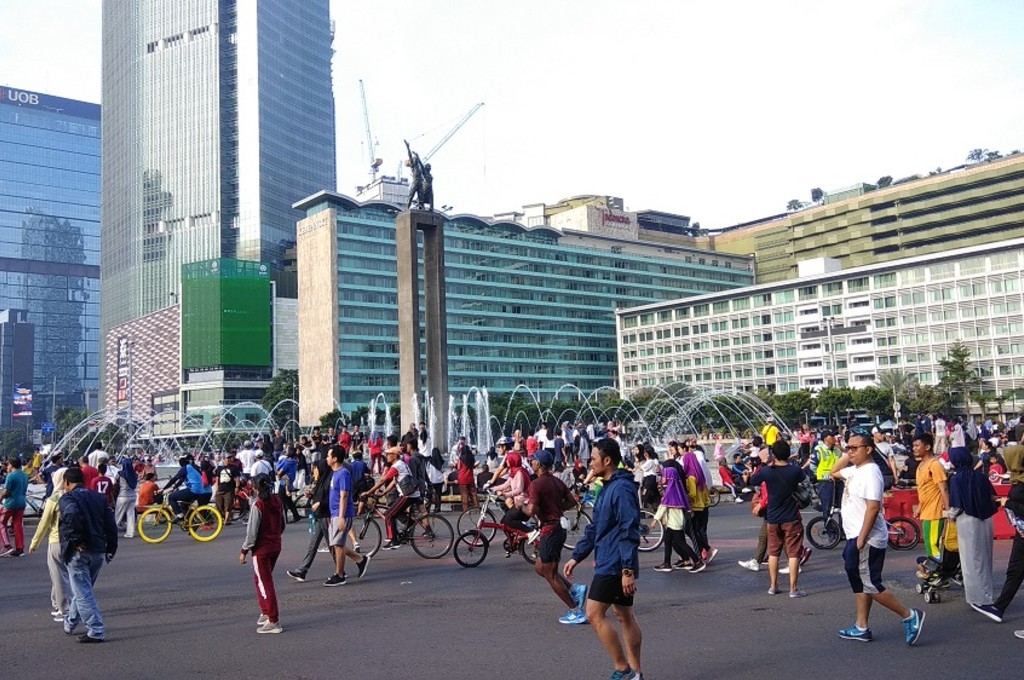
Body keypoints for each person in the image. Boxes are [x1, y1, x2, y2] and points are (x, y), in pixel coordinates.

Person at [830, 433, 926, 645]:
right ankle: (861, 626)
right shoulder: (855, 470)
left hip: (866, 537)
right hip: (855, 535)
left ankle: (909, 615)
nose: (851, 451)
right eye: (849, 448)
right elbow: (833, 472)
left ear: (869, 449)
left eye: (856, 448)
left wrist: (861, 538)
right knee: (860, 581)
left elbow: (873, 507)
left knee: (870, 583)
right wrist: (848, 452)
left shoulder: (871, 473)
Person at [563, 438, 643, 680]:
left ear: (607, 461)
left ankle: (623, 668)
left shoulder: (620, 489)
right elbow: (597, 527)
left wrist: (627, 569)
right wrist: (577, 556)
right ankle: (637, 674)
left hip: (615, 562)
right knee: (623, 615)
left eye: (594, 458)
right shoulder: (608, 487)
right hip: (611, 558)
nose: (590, 462)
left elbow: (629, 528)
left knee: (594, 613)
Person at [522, 450, 586, 622]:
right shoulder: (556, 481)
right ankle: (574, 589)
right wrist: (557, 509)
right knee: (539, 567)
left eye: (533, 461)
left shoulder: (536, 484)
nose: (531, 463)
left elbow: (531, 511)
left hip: (550, 531)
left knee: (550, 574)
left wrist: (520, 505)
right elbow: (572, 501)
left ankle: (576, 611)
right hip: (557, 529)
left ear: (539, 465)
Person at [58, 466, 118, 643]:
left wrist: (76, 540)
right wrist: (111, 548)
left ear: (67, 482)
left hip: (79, 551)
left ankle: (96, 629)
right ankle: (70, 622)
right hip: (99, 550)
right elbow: (111, 523)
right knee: (82, 589)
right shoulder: (99, 498)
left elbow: (71, 514)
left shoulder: (67, 498)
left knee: (83, 591)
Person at [947, 446, 1002, 622]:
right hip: (986, 520)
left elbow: (956, 507)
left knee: (971, 560)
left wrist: (948, 516)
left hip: (967, 521)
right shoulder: (981, 477)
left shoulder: (956, 479)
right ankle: (987, 593)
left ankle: (978, 599)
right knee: (985, 556)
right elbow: (993, 498)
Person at [749, 440, 807, 598]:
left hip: (773, 517)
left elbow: (752, 481)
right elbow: (806, 478)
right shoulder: (795, 470)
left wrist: (765, 464)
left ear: (773, 454)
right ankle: (793, 588)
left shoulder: (767, 471)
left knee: (773, 552)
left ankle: (773, 586)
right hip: (791, 517)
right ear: (789, 454)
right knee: (794, 553)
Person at [239, 473, 285, 634]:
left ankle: (273, 619)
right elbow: (282, 524)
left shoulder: (258, 505)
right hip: (275, 545)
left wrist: (244, 550)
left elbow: (252, 533)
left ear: (256, 488)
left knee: (264, 582)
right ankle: (266, 612)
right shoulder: (277, 501)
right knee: (261, 579)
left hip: (262, 549)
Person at [28, 467, 70, 621]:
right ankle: (59, 604)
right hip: (73, 541)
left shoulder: (54, 499)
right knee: (68, 575)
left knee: (57, 576)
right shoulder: (73, 496)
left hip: (56, 541)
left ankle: (63, 609)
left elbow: (44, 524)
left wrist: (34, 543)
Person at [361, 444, 420, 550]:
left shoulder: (396, 466)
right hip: (411, 494)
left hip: (408, 495)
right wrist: (383, 494)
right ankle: (409, 525)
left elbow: (383, 480)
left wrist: (369, 492)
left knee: (388, 515)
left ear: (395, 456)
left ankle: (394, 540)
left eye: (389, 455)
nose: (387, 457)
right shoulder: (401, 464)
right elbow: (394, 482)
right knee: (393, 507)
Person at [994, 443, 1024, 638]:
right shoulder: (1018, 478)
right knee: (1015, 571)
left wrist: (1008, 503)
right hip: (1021, 533)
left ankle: (998, 607)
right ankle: (998, 607)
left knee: (1015, 571)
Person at [287, 458, 333, 583]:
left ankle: (356, 562)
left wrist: (320, 504)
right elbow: (318, 496)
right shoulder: (320, 481)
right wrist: (311, 496)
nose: (314, 471)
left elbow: (332, 499)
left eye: (315, 468)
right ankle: (302, 571)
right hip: (319, 516)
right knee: (313, 546)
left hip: (325, 515)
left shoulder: (330, 481)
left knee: (333, 546)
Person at [652, 466, 703, 573]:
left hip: (675, 522)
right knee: (668, 541)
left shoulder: (671, 491)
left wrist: (655, 519)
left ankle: (697, 561)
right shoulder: (676, 488)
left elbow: (663, 506)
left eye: (665, 475)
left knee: (681, 543)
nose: (663, 477)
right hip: (673, 521)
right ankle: (667, 563)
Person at [913, 433, 950, 571]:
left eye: (917, 445)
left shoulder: (935, 465)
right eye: (914, 446)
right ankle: (934, 570)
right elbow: (923, 490)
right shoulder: (920, 466)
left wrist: (949, 510)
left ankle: (940, 572)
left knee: (934, 544)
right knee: (929, 544)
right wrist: (919, 507)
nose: (914, 449)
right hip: (926, 512)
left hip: (935, 512)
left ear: (927, 447)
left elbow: (944, 489)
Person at [0, 457, 29, 557]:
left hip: (11, 503)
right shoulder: (24, 475)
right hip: (21, 502)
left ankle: (7, 546)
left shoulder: (11, 476)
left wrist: (0, 498)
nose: (7, 467)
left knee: (1, 523)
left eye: (8, 465)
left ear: (11, 465)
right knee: (18, 525)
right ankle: (20, 548)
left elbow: (6, 491)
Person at [214, 452, 241, 525]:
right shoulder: (219, 468)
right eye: (227, 458)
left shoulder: (234, 468)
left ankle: (226, 520)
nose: (229, 459)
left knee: (228, 505)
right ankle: (221, 518)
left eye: (229, 458)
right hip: (220, 489)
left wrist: (237, 487)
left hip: (229, 489)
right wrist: (216, 489)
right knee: (219, 506)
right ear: (224, 459)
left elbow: (237, 478)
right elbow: (217, 479)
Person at [113, 458, 138, 538]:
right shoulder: (134, 474)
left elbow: (114, 481)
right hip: (133, 496)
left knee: (118, 515)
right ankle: (130, 533)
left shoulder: (120, 474)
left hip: (123, 496)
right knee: (130, 514)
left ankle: (111, 532)